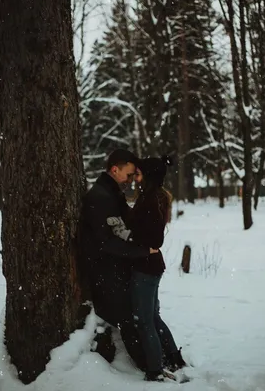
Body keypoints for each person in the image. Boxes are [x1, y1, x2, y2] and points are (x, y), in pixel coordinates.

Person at [108, 155, 186, 382]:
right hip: (149, 266)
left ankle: (155, 370)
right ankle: (173, 357)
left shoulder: (152, 200)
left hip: (146, 268)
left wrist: (127, 234)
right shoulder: (150, 197)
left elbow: (154, 238)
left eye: (139, 174)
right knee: (151, 317)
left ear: (149, 176)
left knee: (143, 321)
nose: (135, 178)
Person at [80, 149, 158, 370]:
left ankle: (155, 362)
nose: (131, 180)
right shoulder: (100, 197)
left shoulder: (112, 193)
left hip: (116, 268)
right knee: (129, 321)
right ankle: (147, 368)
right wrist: (142, 251)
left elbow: (127, 224)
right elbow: (105, 243)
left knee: (140, 317)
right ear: (115, 169)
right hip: (106, 272)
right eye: (129, 174)